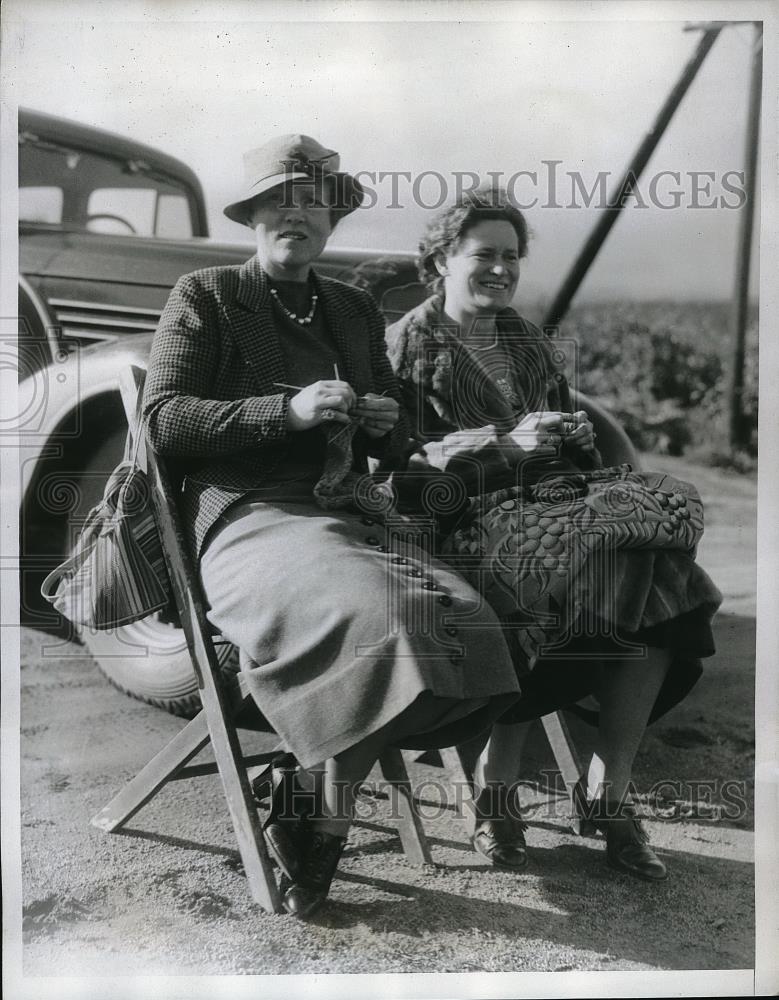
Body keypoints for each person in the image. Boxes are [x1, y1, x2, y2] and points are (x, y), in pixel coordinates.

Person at [142, 138, 522, 918]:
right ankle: (327, 825)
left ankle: (310, 796)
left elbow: (393, 437)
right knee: (385, 622)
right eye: (281, 199)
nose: (297, 214)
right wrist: (283, 411)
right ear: (253, 215)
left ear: (330, 218)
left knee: (476, 625)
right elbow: (163, 422)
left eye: (313, 201)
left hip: (341, 511)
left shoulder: (349, 305)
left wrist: (385, 421)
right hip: (246, 516)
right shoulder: (207, 295)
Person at [386, 188, 722, 882]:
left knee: (654, 568)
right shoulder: (408, 345)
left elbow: (573, 455)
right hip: (448, 530)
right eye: (483, 255)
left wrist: (566, 441)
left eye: (512, 257)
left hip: (547, 517)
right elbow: (400, 471)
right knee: (575, 571)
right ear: (441, 259)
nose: (501, 270)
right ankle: (500, 786)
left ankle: (606, 787)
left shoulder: (527, 341)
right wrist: (505, 444)